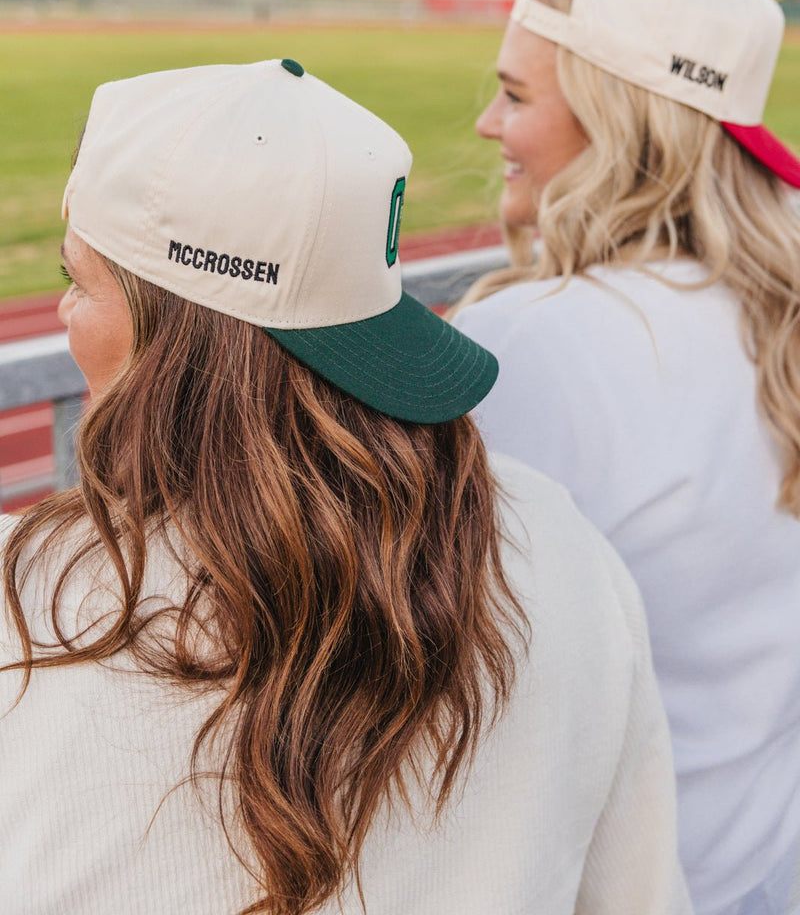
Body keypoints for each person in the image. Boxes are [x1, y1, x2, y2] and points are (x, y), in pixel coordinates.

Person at [0, 58, 689, 914]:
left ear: (168, 331)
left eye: (80, 279)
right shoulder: (556, 544)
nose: (66, 312)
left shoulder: (29, 601)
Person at [452, 0, 800, 915]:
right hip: (760, 872)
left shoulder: (528, 342)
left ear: (614, 115)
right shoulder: (777, 311)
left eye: (515, 94)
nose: (487, 123)